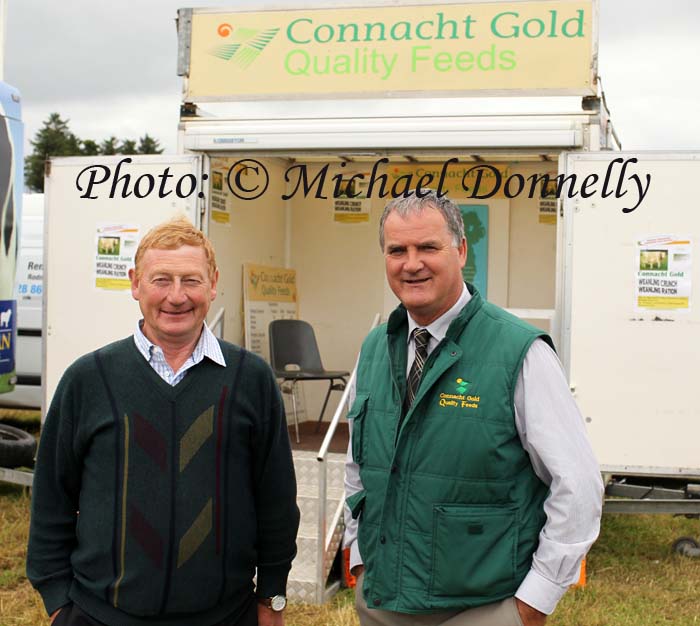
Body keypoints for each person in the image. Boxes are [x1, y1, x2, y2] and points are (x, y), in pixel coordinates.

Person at [344, 190, 603, 626]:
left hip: (483, 608)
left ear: (461, 250)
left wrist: (532, 603)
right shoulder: (374, 346)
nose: (411, 264)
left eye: (428, 247)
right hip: (384, 601)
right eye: (397, 250)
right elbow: (359, 464)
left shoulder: (519, 350)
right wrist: (358, 556)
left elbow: (578, 485)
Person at [27, 217, 300, 626]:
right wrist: (57, 600)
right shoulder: (89, 379)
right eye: (161, 280)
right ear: (136, 283)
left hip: (226, 617)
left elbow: (276, 500)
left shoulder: (251, 379)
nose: (176, 296)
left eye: (191, 280)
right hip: (100, 616)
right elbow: (51, 497)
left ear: (212, 284)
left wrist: (273, 596)